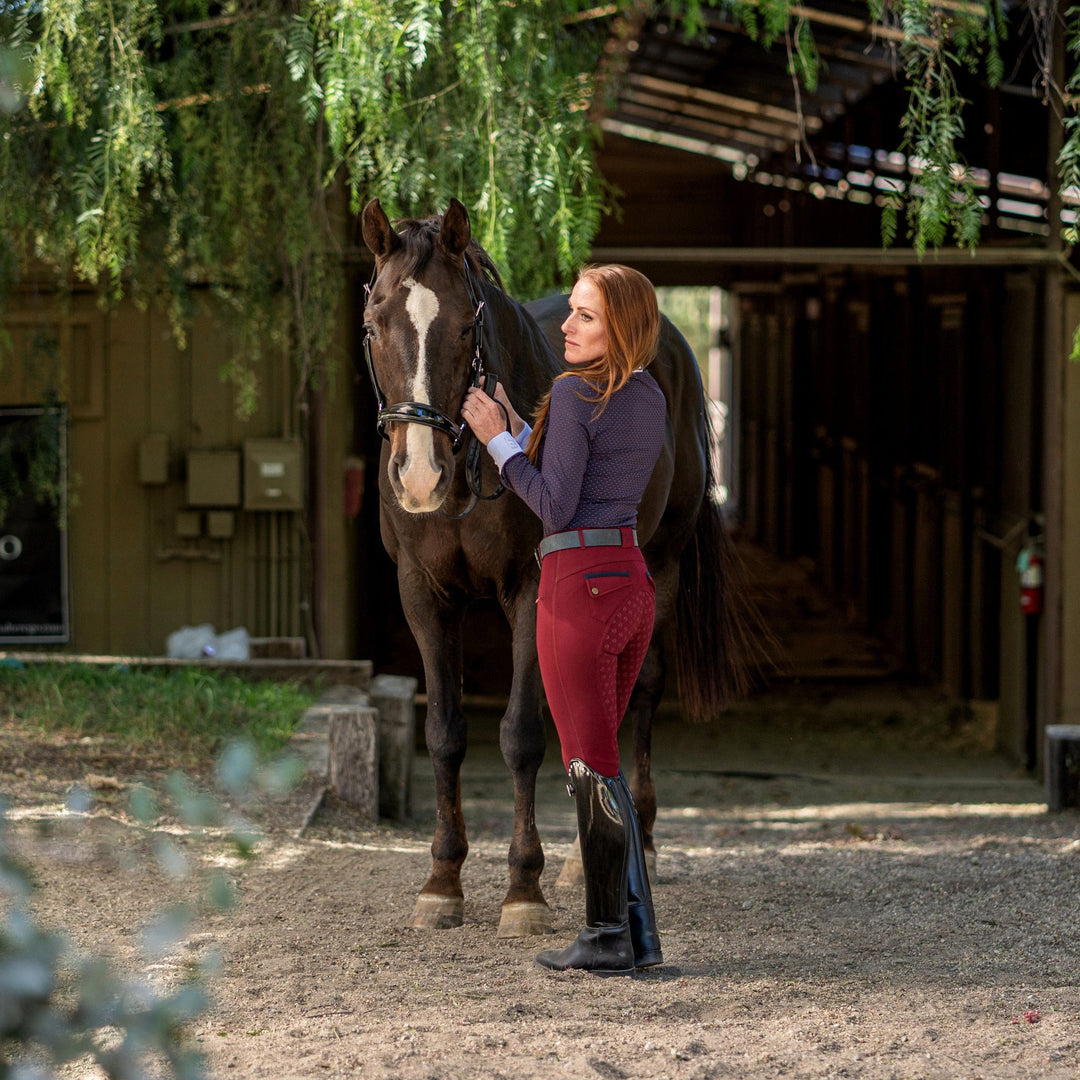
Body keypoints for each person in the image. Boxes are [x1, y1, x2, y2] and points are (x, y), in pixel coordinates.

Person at [460, 264, 668, 977]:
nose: (567, 327)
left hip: (579, 588)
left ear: (622, 328)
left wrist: (495, 440)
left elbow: (552, 503)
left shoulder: (576, 393)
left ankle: (607, 933)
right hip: (632, 585)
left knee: (589, 769)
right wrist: (518, 425)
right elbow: (585, 468)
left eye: (585, 317)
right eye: (571, 313)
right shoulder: (646, 394)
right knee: (603, 764)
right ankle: (638, 932)